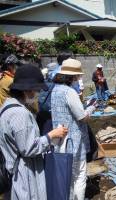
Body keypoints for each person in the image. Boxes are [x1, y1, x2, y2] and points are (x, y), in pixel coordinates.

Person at [0, 64, 68, 200]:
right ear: (27, 90)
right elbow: (28, 148)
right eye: (37, 90)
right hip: (24, 174)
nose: (38, 94)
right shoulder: (20, 114)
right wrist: (51, 135)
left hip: (13, 169)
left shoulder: (6, 107)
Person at [51, 58, 96, 200]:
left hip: (60, 140)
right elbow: (82, 117)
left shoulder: (55, 90)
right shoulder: (69, 92)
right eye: (77, 76)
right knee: (79, 176)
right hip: (74, 141)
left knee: (67, 176)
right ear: (73, 76)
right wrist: (91, 108)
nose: (78, 78)